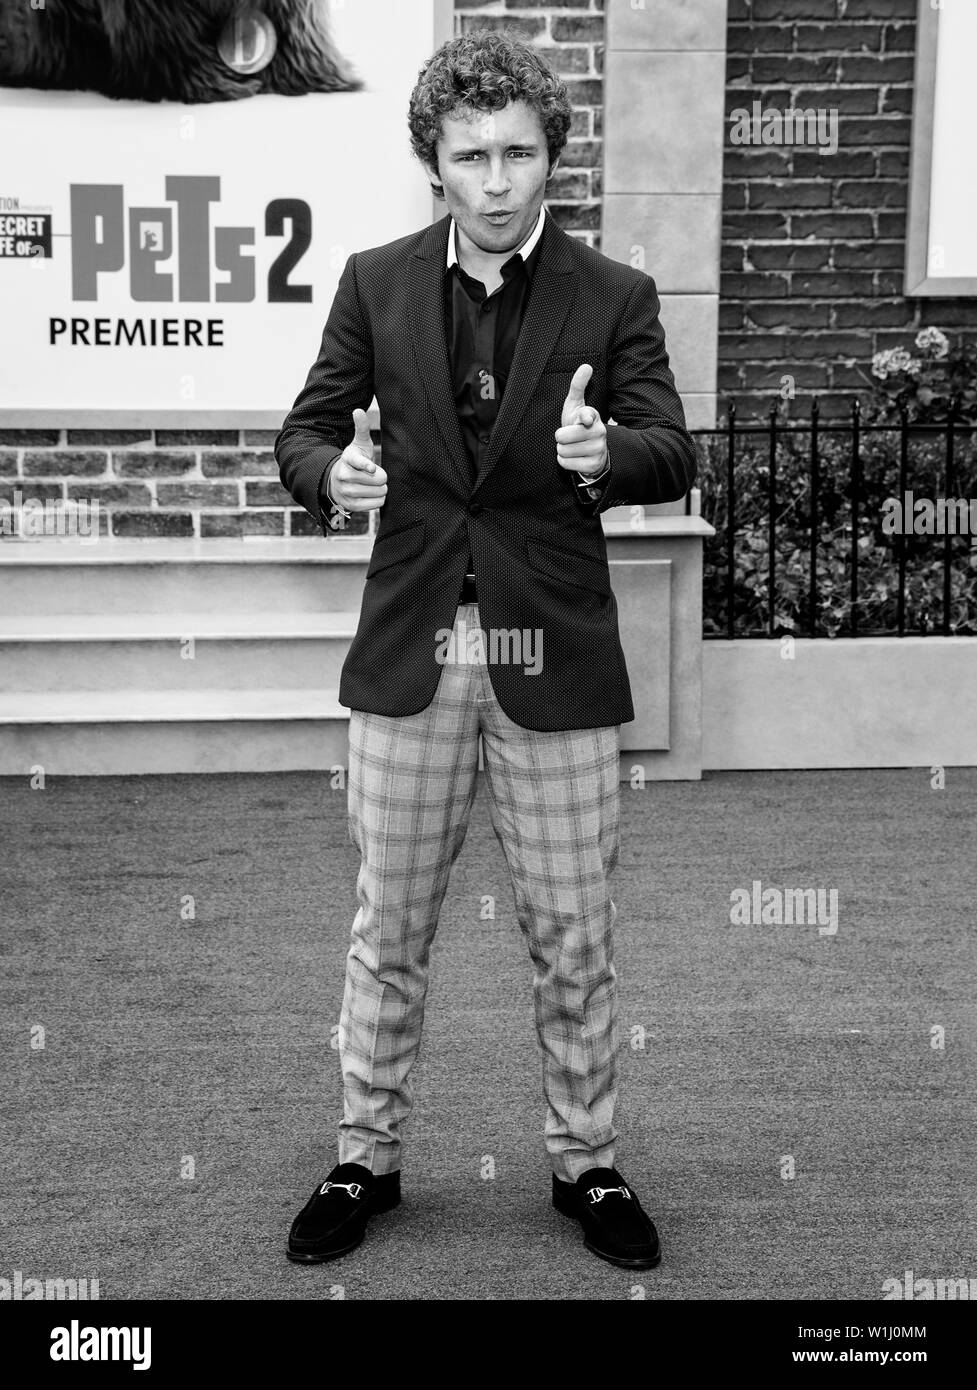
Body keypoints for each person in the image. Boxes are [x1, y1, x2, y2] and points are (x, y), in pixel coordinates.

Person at [275, 28, 696, 1272]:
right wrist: (334, 474)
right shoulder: (374, 283)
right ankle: (364, 1159)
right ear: (434, 164)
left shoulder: (611, 296)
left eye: (519, 152)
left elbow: (671, 447)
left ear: (550, 158)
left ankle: (589, 1168)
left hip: (551, 654)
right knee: (387, 925)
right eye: (472, 156)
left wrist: (603, 458)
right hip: (414, 648)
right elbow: (302, 436)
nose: (498, 178)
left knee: (573, 931)